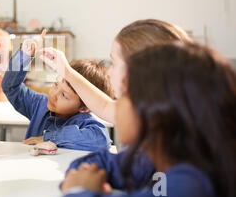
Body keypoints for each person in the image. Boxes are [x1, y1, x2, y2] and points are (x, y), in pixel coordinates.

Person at [54, 42, 236, 197]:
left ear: (154, 112)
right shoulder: (151, 159)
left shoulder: (190, 189)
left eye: (123, 96)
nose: (115, 105)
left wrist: (78, 192)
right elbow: (105, 162)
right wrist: (82, 176)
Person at [40, 19, 192, 125]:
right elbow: (104, 106)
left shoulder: (168, 128)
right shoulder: (141, 110)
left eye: (114, 63)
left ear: (140, 71)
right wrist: (66, 72)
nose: (109, 71)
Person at [1, 30, 113, 151]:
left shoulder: (83, 123)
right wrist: (24, 57)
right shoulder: (40, 105)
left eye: (64, 95)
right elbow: (11, 87)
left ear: (84, 108)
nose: (53, 94)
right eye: (55, 84)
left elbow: (101, 140)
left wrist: (49, 137)